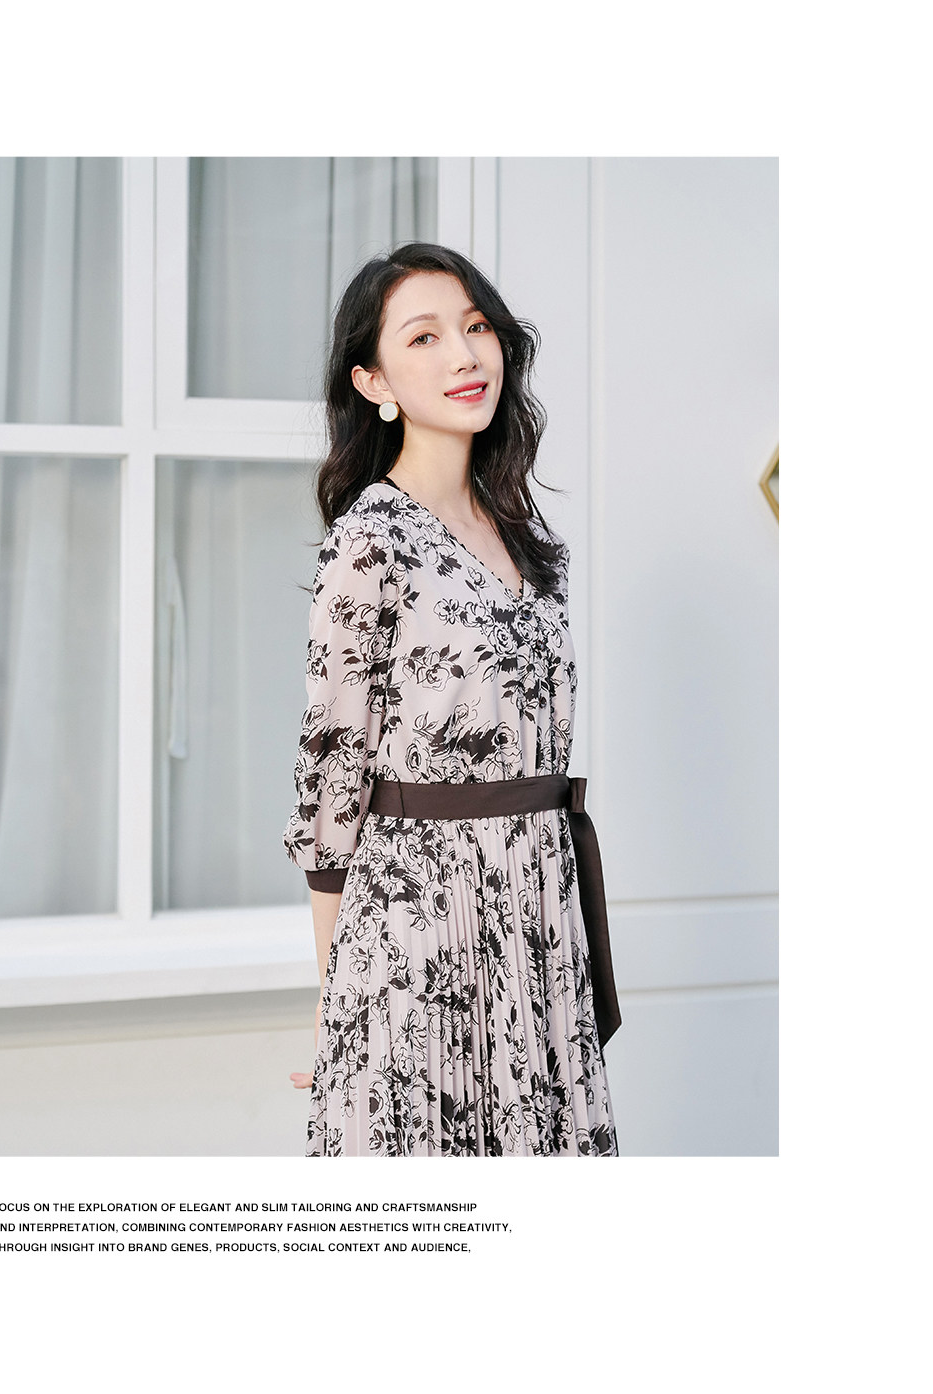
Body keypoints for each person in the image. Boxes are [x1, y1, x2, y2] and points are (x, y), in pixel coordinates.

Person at [282, 242, 620, 1156]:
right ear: (373, 381)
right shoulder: (370, 540)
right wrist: (337, 1000)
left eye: (476, 328)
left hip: (539, 907)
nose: (465, 355)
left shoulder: (524, 533)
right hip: (421, 920)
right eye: (423, 337)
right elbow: (331, 782)